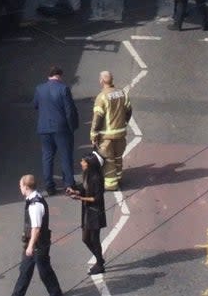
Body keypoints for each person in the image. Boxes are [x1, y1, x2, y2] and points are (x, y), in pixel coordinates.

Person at [10, 174, 64, 296]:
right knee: (25, 270)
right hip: (34, 243)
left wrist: (30, 246)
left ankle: (56, 293)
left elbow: (36, 228)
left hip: (38, 244)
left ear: (26, 187)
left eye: (20, 185)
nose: (20, 188)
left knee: (44, 271)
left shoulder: (35, 205)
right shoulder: (35, 198)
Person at [33, 67, 79, 195]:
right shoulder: (63, 88)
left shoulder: (39, 88)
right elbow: (69, 110)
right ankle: (69, 184)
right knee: (65, 156)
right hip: (61, 128)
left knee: (47, 156)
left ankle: (49, 185)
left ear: (49, 76)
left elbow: (35, 105)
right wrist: (72, 126)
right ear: (59, 76)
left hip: (44, 128)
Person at [90, 71, 132, 191]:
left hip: (107, 136)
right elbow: (129, 110)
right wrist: (124, 123)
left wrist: (93, 134)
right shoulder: (122, 93)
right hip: (120, 134)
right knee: (118, 158)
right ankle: (119, 178)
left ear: (101, 81)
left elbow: (97, 118)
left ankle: (111, 184)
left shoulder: (101, 97)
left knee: (109, 161)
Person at [66, 153, 107, 275]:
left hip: (95, 212)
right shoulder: (86, 175)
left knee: (94, 239)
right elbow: (84, 189)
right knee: (85, 239)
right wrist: (75, 191)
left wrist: (80, 199)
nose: (81, 163)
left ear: (89, 164)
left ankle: (99, 265)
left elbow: (97, 199)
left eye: (83, 162)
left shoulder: (97, 179)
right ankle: (100, 259)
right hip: (87, 211)